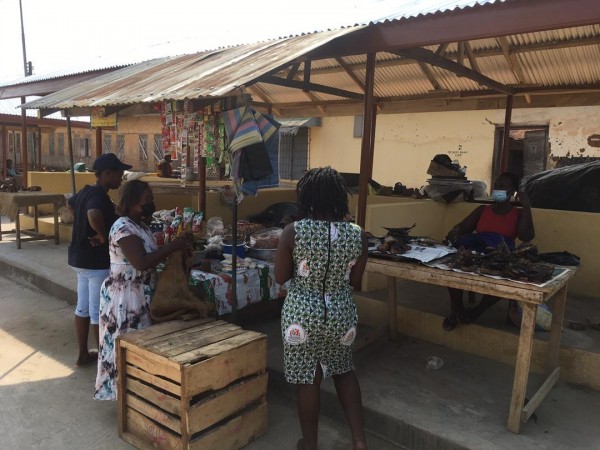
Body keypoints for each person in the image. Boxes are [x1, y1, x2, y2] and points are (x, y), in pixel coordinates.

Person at [275, 167, 369, 450]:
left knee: (308, 379)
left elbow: (280, 277)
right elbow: (355, 282)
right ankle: (359, 441)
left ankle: (310, 444)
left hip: (302, 317)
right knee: (345, 371)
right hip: (342, 315)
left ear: (306, 197)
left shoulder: (293, 232)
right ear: (340, 197)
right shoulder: (358, 235)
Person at [94, 180, 188, 401]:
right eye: (147, 200)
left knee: (141, 349)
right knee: (127, 347)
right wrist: (172, 247)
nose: (151, 204)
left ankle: (138, 397)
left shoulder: (141, 226)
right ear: (132, 201)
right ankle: (125, 399)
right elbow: (141, 262)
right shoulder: (123, 228)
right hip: (126, 299)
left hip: (141, 293)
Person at [442, 172, 535, 331]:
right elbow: (463, 227)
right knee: (452, 269)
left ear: (512, 191)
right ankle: (457, 309)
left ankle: (478, 310)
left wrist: (526, 206)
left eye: (502, 186)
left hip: (500, 255)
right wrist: (455, 231)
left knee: (505, 279)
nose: (497, 188)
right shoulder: (482, 210)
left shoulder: (517, 213)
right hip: (476, 251)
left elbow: (526, 236)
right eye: (496, 185)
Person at [68, 153, 131, 367]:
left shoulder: (86, 191)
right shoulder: (99, 196)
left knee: (83, 307)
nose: (121, 178)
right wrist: (102, 235)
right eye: (118, 174)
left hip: (79, 257)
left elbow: (70, 205)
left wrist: (81, 227)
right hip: (95, 261)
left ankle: (83, 354)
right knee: (98, 310)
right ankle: (104, 359)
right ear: (106, 174)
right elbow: (93, 213)